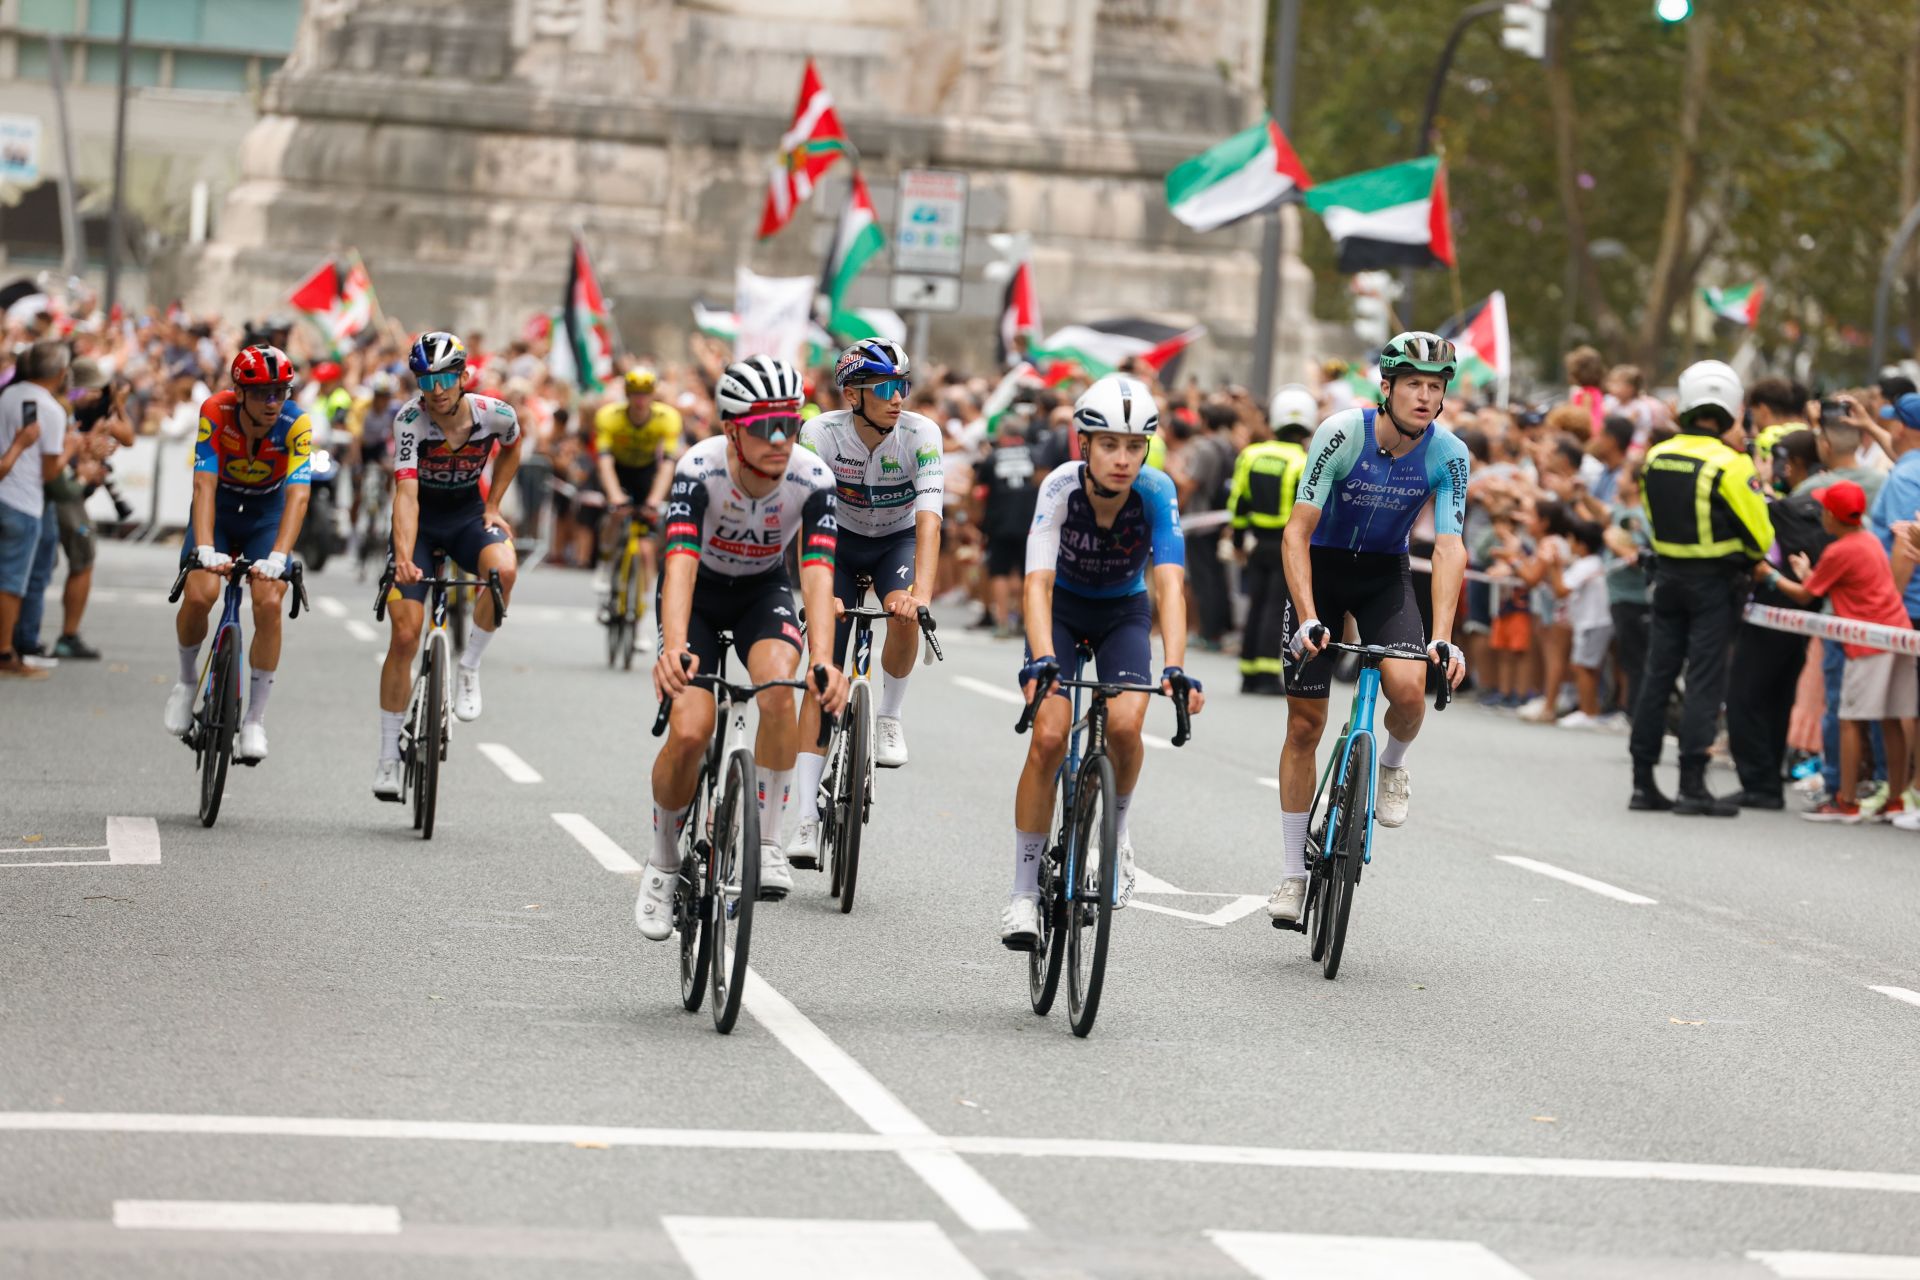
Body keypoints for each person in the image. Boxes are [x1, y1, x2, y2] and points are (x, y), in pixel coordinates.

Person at [636, 357, 849, 940]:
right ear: (733, 430)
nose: (782, 439)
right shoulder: (699, 469)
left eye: (791, 423)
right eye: (765, 427)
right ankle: (661, 861)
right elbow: (678, 562)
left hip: (761, 590)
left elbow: (818, 571)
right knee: (689, 729)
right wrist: (673, 648)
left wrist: (824, 661)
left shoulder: (813, 478)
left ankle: (771, 836)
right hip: (698, 594)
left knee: (782, 688)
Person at [1267, 332, 1469, 924]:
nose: (1426, 396)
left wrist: (1443, 633)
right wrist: (1307, 614)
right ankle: (1291, 877)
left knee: (1410, 690)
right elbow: (1296, 532)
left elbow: (1452, 547)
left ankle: (1390, 766)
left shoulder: (1449, 454)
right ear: (1387, 387)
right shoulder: (1341, 433)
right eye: (1414, 384)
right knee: (1305, 724)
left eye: (1435, 387)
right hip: (1322, 571)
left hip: (1384, 574)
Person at [1001, 373, 1203, 949]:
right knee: (1048, 736)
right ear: (1083, 445)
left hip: (1122, 614)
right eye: (1109, 445)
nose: (1122, 458)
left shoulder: (1157, 492)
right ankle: (1021, 894)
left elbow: (1169, 586)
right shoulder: (1059, 487)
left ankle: (1111, 836)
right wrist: (1042, 659)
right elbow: (1036, 584)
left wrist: (1175, 664)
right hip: (1060, 612)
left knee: (1125, 724)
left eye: (1135, 446)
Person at [792, 339, 943, 812]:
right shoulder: (819, 434)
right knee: (824, 671)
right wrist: (816, 596)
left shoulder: (921, 434)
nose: (899, 397)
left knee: (904, 615)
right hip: (835, 542)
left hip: (894, 542)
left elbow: (930, 520)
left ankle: (890, 715)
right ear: (853, 395)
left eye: (903, 385)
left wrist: (921, 596)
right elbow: (806, 519)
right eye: (886, 387)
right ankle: (803, 817)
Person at [374, 332, 523, 798]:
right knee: (404, 635)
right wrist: (403, 556)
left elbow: (514, 447)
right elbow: (406, 494)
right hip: (419, 524)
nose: (436, 388)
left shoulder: (494, 415)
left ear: (462, 376)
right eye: (426, 378)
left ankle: (469, 667)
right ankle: (385, 758)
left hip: (465, 518)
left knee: (504, 570)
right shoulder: (410, 421)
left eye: (444, 377)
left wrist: (494, 504)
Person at [1627, 359, 1775, 816]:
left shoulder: (1657, 455)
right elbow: (1762, 537)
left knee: (1657, 677)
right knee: (1704, 681)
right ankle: (1692, 785)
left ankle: (1643, 783)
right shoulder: (1732, 464)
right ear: (1731, 408)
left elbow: (1652, 517)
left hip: (1667, 577)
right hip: (1712, 585)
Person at [164, 346, 315, 762]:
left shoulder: (296, 422)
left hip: (266, 516)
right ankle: (185, 681)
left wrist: (280, 557)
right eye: (261, 392)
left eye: (279, 392)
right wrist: (207, 549)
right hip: (222, 509)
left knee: (269, 601)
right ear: (239, 392)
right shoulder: (216, 410)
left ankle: (254, 720)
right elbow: (203, 486)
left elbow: (299, 496)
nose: (271, 402)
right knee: (200, 594)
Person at [1766, 481, 1912, 823]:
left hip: (1867, 643)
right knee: (1892, 719)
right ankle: (1894, 799)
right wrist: (1809, 576)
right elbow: (1823, 583)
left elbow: (1805, 595)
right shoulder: (1868, 541)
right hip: (1894, 633)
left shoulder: (1840, 549)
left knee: (1849, 720)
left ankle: (1845, 801)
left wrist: (1768, 576)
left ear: (1831, 516)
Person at [1726, 429, 1828, 809]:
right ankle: (1768, 779)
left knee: (1746, 697)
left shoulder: (1772, 509)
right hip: (1799, 620)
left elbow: (1758, 553)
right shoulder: (1810, 509)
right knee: (1778, 696)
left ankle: (1759, 783)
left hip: (1768, 612)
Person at [0, 342, 77, 679]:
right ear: (60, 374)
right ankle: (5, 652)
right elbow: (49, 472)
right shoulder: (52, 410)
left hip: (5, 491)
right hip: (24, 499)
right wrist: (71, 448)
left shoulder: (7, 395)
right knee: (12, 582)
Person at [1229, 385, 1313, 695]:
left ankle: (1249, 670)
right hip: (1285, 545)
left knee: (1256, 603)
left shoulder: (1251, 454)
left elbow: (1238, 501)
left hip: (1256, 542)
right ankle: (1265, 672)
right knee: (1276, 608)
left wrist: (1238, 540)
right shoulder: (1303, 462)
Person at [592, 366, 683, 623]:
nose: (640, 399)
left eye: (645, 393)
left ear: (653, 395)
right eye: (635, 393)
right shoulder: (609, 416)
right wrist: (614, 496)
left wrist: (655, 499)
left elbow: (667, 463)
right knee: (616, 515)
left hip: (645, 473)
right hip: (617, 470)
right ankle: (606, 564)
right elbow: (605, 462)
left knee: (645, 550)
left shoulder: (668, 418)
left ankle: (642, 610)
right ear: (627, 394)